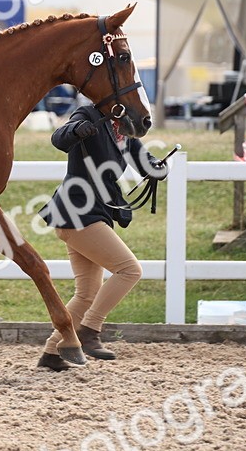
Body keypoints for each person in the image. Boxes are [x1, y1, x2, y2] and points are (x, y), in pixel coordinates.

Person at [35, 98, 170, 371]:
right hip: (77, 212)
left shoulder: (125, 130)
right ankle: (89, 330)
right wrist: (76, 130)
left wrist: (159, 167)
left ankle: (52, 353)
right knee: (129, 270)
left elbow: (144, 162)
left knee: (86, 294)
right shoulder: (87, 114)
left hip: (94, 214)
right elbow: (59, 138)